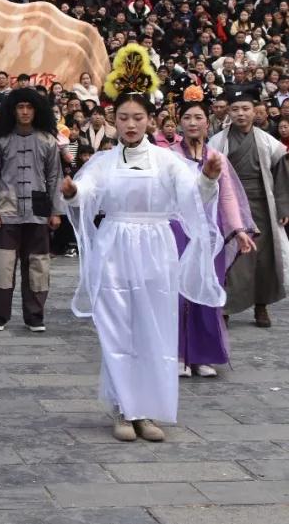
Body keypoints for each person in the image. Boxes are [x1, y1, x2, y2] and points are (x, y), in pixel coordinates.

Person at [64, 91, 225, 443]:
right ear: (113, 120)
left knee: (155, 327)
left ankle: (148, 410)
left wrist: (208, 179)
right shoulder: (104, 161)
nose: (131, 124)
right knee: (117, 327)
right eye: (123, 117)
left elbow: (191, 194)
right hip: (115, 244)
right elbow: (86, 191)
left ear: (150, 119)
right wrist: (73, 192)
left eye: (137, 117)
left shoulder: (167, 161)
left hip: (155, 246)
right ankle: (125, 408)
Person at [171, 96, 257, 378]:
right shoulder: (170, 156)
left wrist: (239, 230)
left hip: (211, 236)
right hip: (180, 233)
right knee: (180, 293)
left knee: (207, 293)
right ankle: (180, 354)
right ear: (179, 123)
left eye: (198, 118)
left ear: (208, 123)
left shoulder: (215, 157)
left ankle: (202, 356)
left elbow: (228, 197)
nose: (192, 123)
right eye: (187, 118)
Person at [0, 88, 65, 332]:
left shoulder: (48, 140)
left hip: (39, 212)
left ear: (37, 110)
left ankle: (35, 316)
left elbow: (55, 177)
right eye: (20, 107)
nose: (25, 111)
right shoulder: (0, 140)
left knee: (38, 265)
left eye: (30, 107)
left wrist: (56, 211)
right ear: (13, 110)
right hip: (6, 210)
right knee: (3, 265)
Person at [208, 86, 289, 328]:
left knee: (263, 258)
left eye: (246, 109)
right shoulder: (218, 141)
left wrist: (284, 207)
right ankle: (225, 307)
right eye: (235, 110)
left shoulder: (268, 142)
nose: (241, 114)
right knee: (231, 258)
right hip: (229, 205)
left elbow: (282, 175)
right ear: (228, 113)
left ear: (256, 112)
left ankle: (261, 306)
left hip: (262, 204)